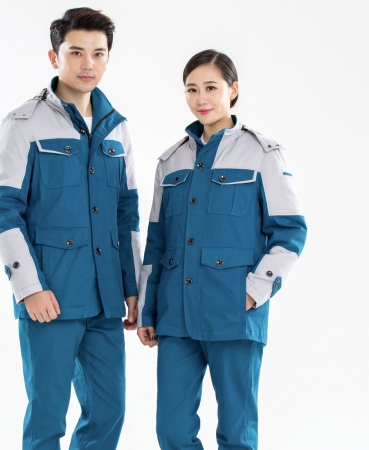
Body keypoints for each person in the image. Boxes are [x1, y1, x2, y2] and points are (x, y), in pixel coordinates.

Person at [0, 7, 141, 450]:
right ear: (54, 57)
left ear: (108, 58)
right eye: (76, 52)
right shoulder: (23, 124)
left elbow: (126, 215)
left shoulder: (118, 129)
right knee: (47, 417)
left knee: (108, 411)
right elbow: (2, 210)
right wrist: (28, 287)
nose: (88, 63)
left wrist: (133, 288)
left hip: (105, 299)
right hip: (49, 297)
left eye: (98, 53)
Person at [137, 49, 307, 449]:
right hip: (176, 314)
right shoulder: (170, 161)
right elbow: (157, 242)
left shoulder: (263, 154)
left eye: (211, 87)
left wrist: (254, 291)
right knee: (171, 431)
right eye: (191, 89)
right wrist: (148, 307)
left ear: (233, 90)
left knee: (236, 432)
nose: (201, 98)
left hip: (234, 311)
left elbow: (290, 231)